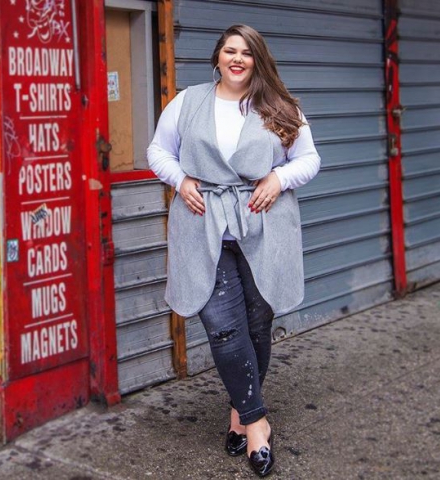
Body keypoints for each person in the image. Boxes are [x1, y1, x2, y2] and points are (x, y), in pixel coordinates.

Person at [147, 24, 321, 477]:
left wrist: (278, 178)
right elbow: (158, 152)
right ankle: (257, 422)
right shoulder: (187, 102)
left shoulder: (280, 106)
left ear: (257, 59)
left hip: (265, 228)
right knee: (224, 328)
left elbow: (309, 159)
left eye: (246, 52)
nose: (237, 59)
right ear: (218, 57)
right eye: (230, 51)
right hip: (203, 228)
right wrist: (181, 180)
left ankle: (239, 413)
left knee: (257, 327)